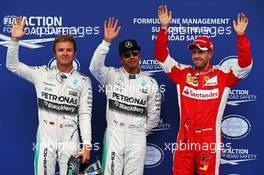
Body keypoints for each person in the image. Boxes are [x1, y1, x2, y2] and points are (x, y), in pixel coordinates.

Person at [155, 5, 252, 175]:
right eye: (194, 52)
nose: (196, 56)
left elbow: (245, 66)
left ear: (210, 54)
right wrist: (164, 28)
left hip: (209, 140)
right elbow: (161, 56)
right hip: (185, 138)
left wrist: (241, 37)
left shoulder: (223, 76)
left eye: (201, 52)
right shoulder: (182, 73)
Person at [6, 16, 93, 175]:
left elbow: (85, 114)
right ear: (54, 53)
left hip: (70, 139)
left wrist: (87, 146)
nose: (65, 53)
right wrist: (14, 40)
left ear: (75, 52)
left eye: (69, 50)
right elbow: (12, 65)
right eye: (61, 50)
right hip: (46, 139)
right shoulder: (41, 74)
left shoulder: (83, 81)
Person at [89, 17, 161, 175]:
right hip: (114, 134)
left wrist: (140, 130)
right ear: (121, 58)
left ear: (139, 55)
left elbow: (154, 116)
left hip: (137, 137)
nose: (131, 57)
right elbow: (94, 67)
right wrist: (106, 42)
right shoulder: (111, 76)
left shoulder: (150, 83)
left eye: (134, 53)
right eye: (127, 54)